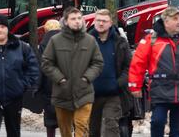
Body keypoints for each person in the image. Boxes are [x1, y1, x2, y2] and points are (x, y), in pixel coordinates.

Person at [128, 7, 179, 137]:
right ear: (166, 22)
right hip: (160, 88)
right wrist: (135, 86)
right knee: (157, 121)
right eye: (175, 19)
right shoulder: (152, 39)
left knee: (177, 128)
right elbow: (138, 63)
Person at [42, 7, 105, 137]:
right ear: (65, 21)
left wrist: (87, 78)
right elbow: (47, 63)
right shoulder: (55, 41)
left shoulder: (90, 40)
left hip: (84, 93)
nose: (77, 21)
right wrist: (60, 78)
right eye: (73, 19)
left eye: (79, 18)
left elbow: (98, 63)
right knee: (65, 130)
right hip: (62, 93)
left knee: (81, 126)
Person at [88, 9, 132, 137]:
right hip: (92, 94)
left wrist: (118, 83)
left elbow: (128, 66)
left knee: (110, 127)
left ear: (110, 23)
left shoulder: (120, 42)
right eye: (98, 20)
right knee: (93, 130)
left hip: (114, 94)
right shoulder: (87, 42)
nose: (101, 24)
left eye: (104, 21)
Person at [39, 19, 62, 137]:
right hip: (64, 84)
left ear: (45, 29)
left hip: (49, 85)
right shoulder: (65, 40)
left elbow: (42, 67)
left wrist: (38, 87)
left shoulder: (43, 43)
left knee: (50, 121)